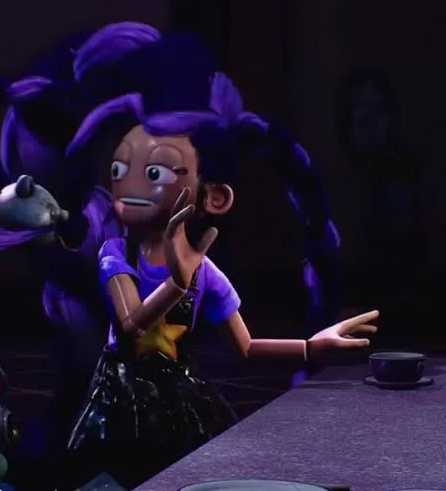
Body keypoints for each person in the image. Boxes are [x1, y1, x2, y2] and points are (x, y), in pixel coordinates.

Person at [51, 81, 379, 489]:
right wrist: (177, 282)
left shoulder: (205, 272)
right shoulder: (117, 253)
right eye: (120, 170)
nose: (129, 186)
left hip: (178, 397)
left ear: (215, 198)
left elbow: (246, 347)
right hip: (119, 400)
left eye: (154, 173)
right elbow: (132, 324)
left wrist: (311, 346)